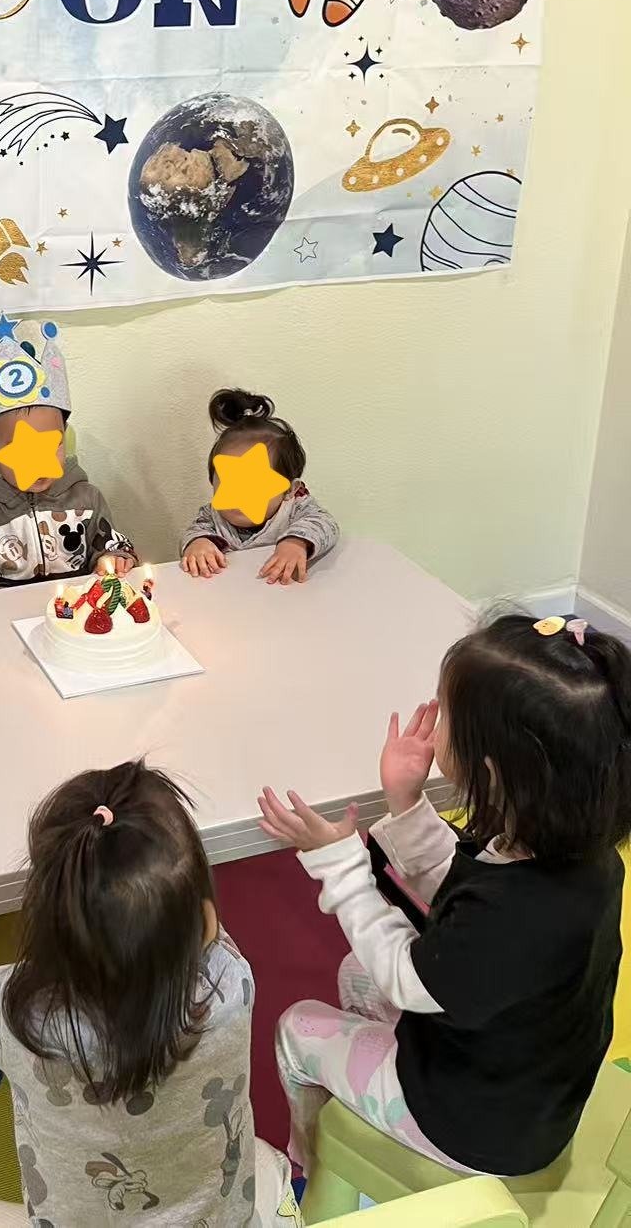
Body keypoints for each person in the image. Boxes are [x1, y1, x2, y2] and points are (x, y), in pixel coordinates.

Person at [259, 613, 631, 1179]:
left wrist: (339, 866)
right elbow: (466, 892)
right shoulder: (579, 855)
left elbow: (406, 977)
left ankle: (309, 1160)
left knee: (296, 1026)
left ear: (489, 770)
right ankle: (372, 1083)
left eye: (446, 713)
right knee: (355, 970)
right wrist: (407, 805)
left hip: (475, 1127)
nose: (434, 722)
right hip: (528, 1087)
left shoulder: (517, 914)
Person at [0, 760, 300, 1226]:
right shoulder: (230, 981)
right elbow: (188, 923)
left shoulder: (19, 1015)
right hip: (227, 1220)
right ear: (202, 917)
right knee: (262, 1158)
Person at [0, 317, 137, 594]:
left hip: (77, 614)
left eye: (50, 446)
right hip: (7, 619)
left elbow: (112, 546)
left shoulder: (87, 497)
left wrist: (113, 559)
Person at [181, 389, 338, 586]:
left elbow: (326, 524)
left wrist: (296, 542)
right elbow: (195, 530)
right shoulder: (212, 516)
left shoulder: (295, 509)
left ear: (289, 490)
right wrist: (198, 543)